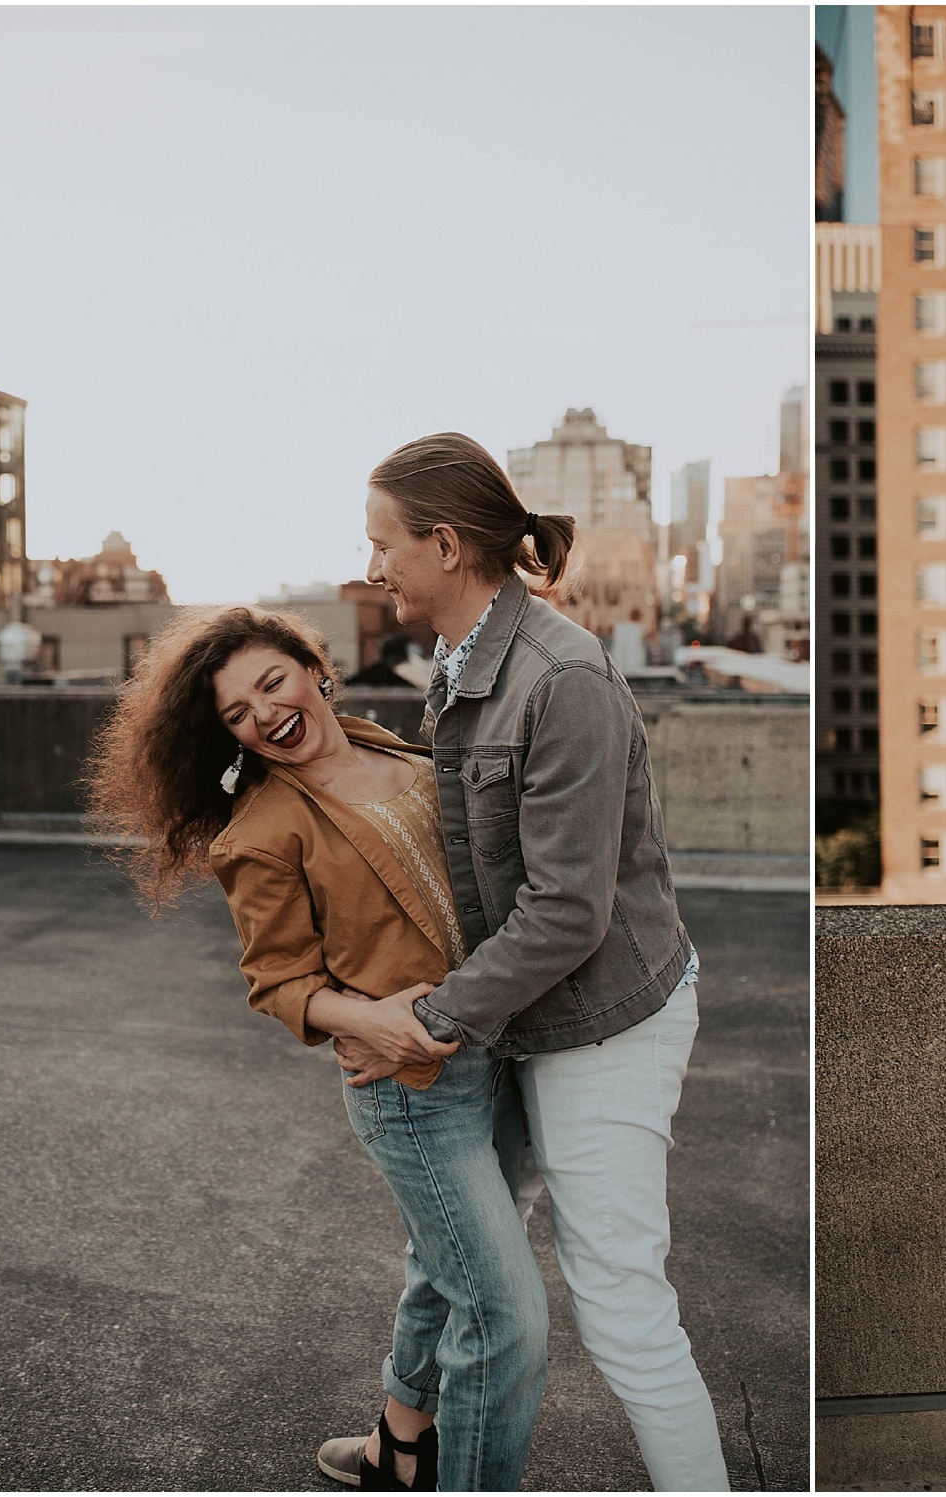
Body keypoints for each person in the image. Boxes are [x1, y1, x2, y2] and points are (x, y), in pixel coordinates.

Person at [335, 431, 730, 1491]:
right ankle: (401, 1446)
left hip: (605, 1021)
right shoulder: (464, 664)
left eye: (384, 544)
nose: (372, 568)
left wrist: (423, 1022)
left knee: (621, 1307)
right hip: (524, 1015)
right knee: (459, 1251)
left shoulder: (562, 679)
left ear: (448, 545)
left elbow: (565, 913)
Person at [84, 605, 546, 1491]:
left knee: (441, 1265)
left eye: (272, 681)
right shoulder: (260, 831)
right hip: (413, 1093)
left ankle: (399, 1447)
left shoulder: (402, 747)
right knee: (504, 1315)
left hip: (496, 1054)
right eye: (237, 713)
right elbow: (277, 981)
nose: (264, 713)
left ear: (313, 667)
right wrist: (370, 1021)